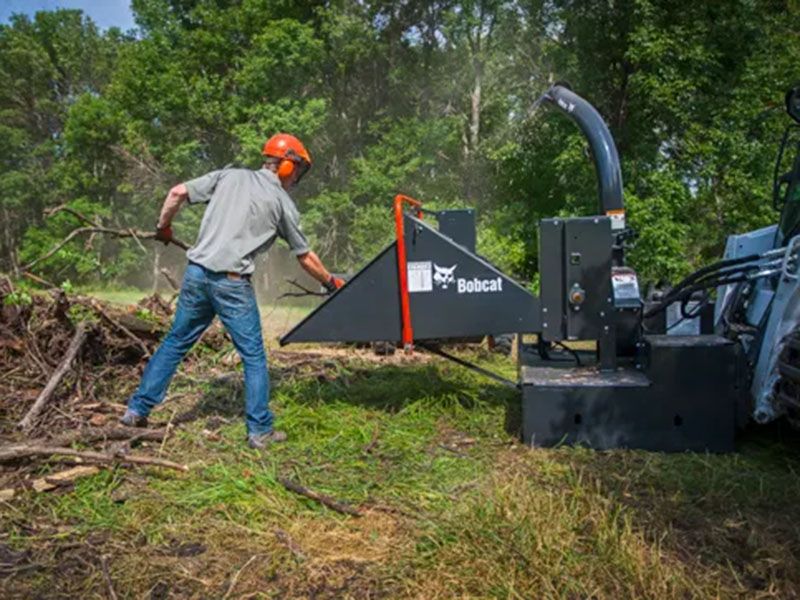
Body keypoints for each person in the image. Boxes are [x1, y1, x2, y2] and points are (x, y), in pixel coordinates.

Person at [120, 134, 343, 448]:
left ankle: (136, 411)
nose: (296, 178)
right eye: (298, 170)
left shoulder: (229, 176)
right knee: (253, 357)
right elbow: (305, 256)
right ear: (288, 167)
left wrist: (164, 227)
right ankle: (260, 431)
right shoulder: (282, 202)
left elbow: (176, 192)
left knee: (175, 342)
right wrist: (332, 283)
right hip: (231, 283)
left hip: (196, 275)